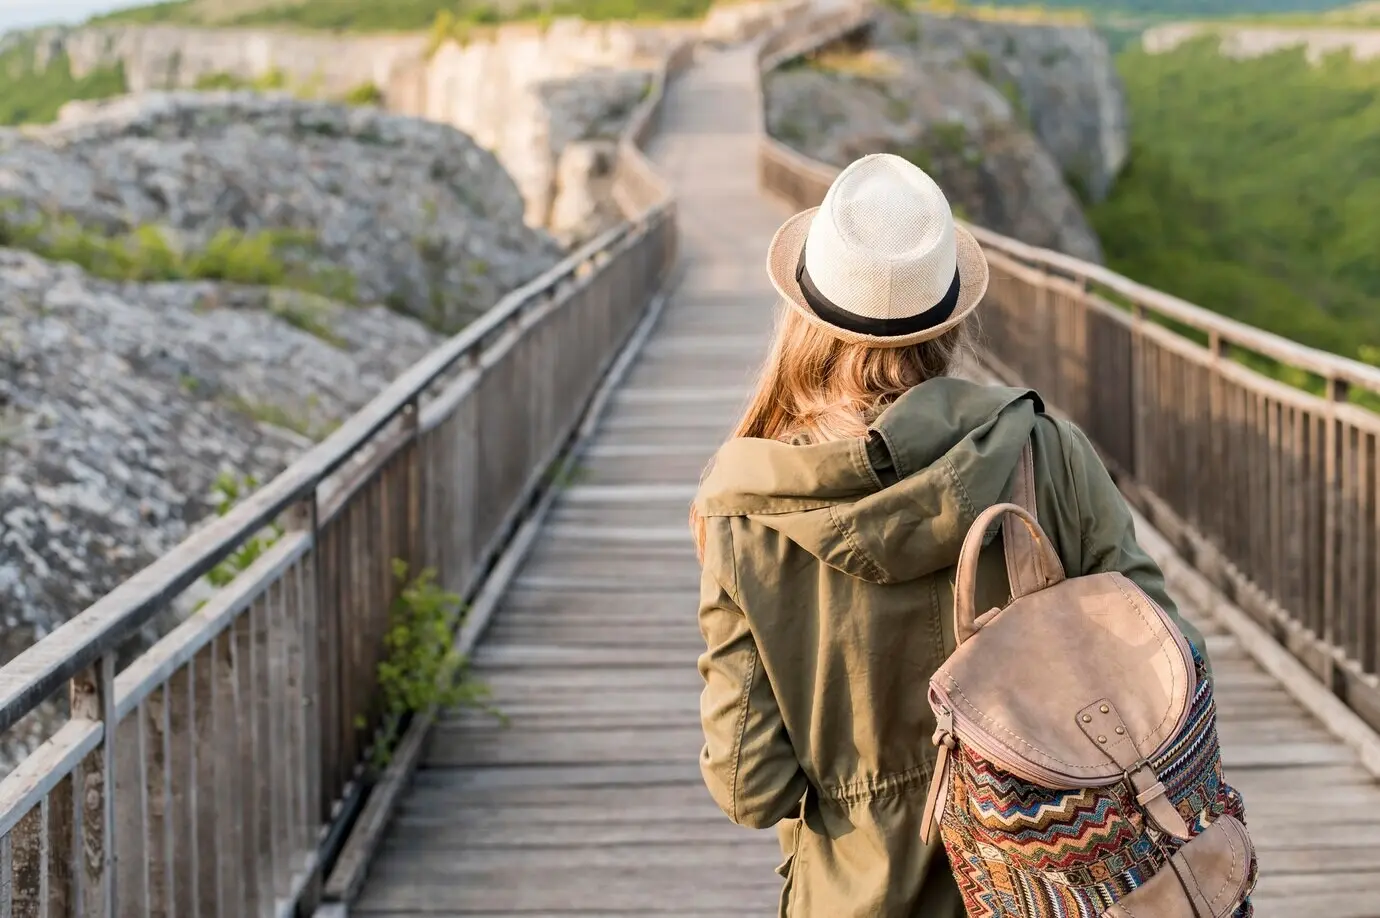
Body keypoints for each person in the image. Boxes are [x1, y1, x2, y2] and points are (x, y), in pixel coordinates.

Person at [688, 153, 1210, 918]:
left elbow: (751, 786)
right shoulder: (1044, 448)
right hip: (1056, 883)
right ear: (952, 313)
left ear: (805, 309)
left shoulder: (743, 510)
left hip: (851, 894)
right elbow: (1173, 653)